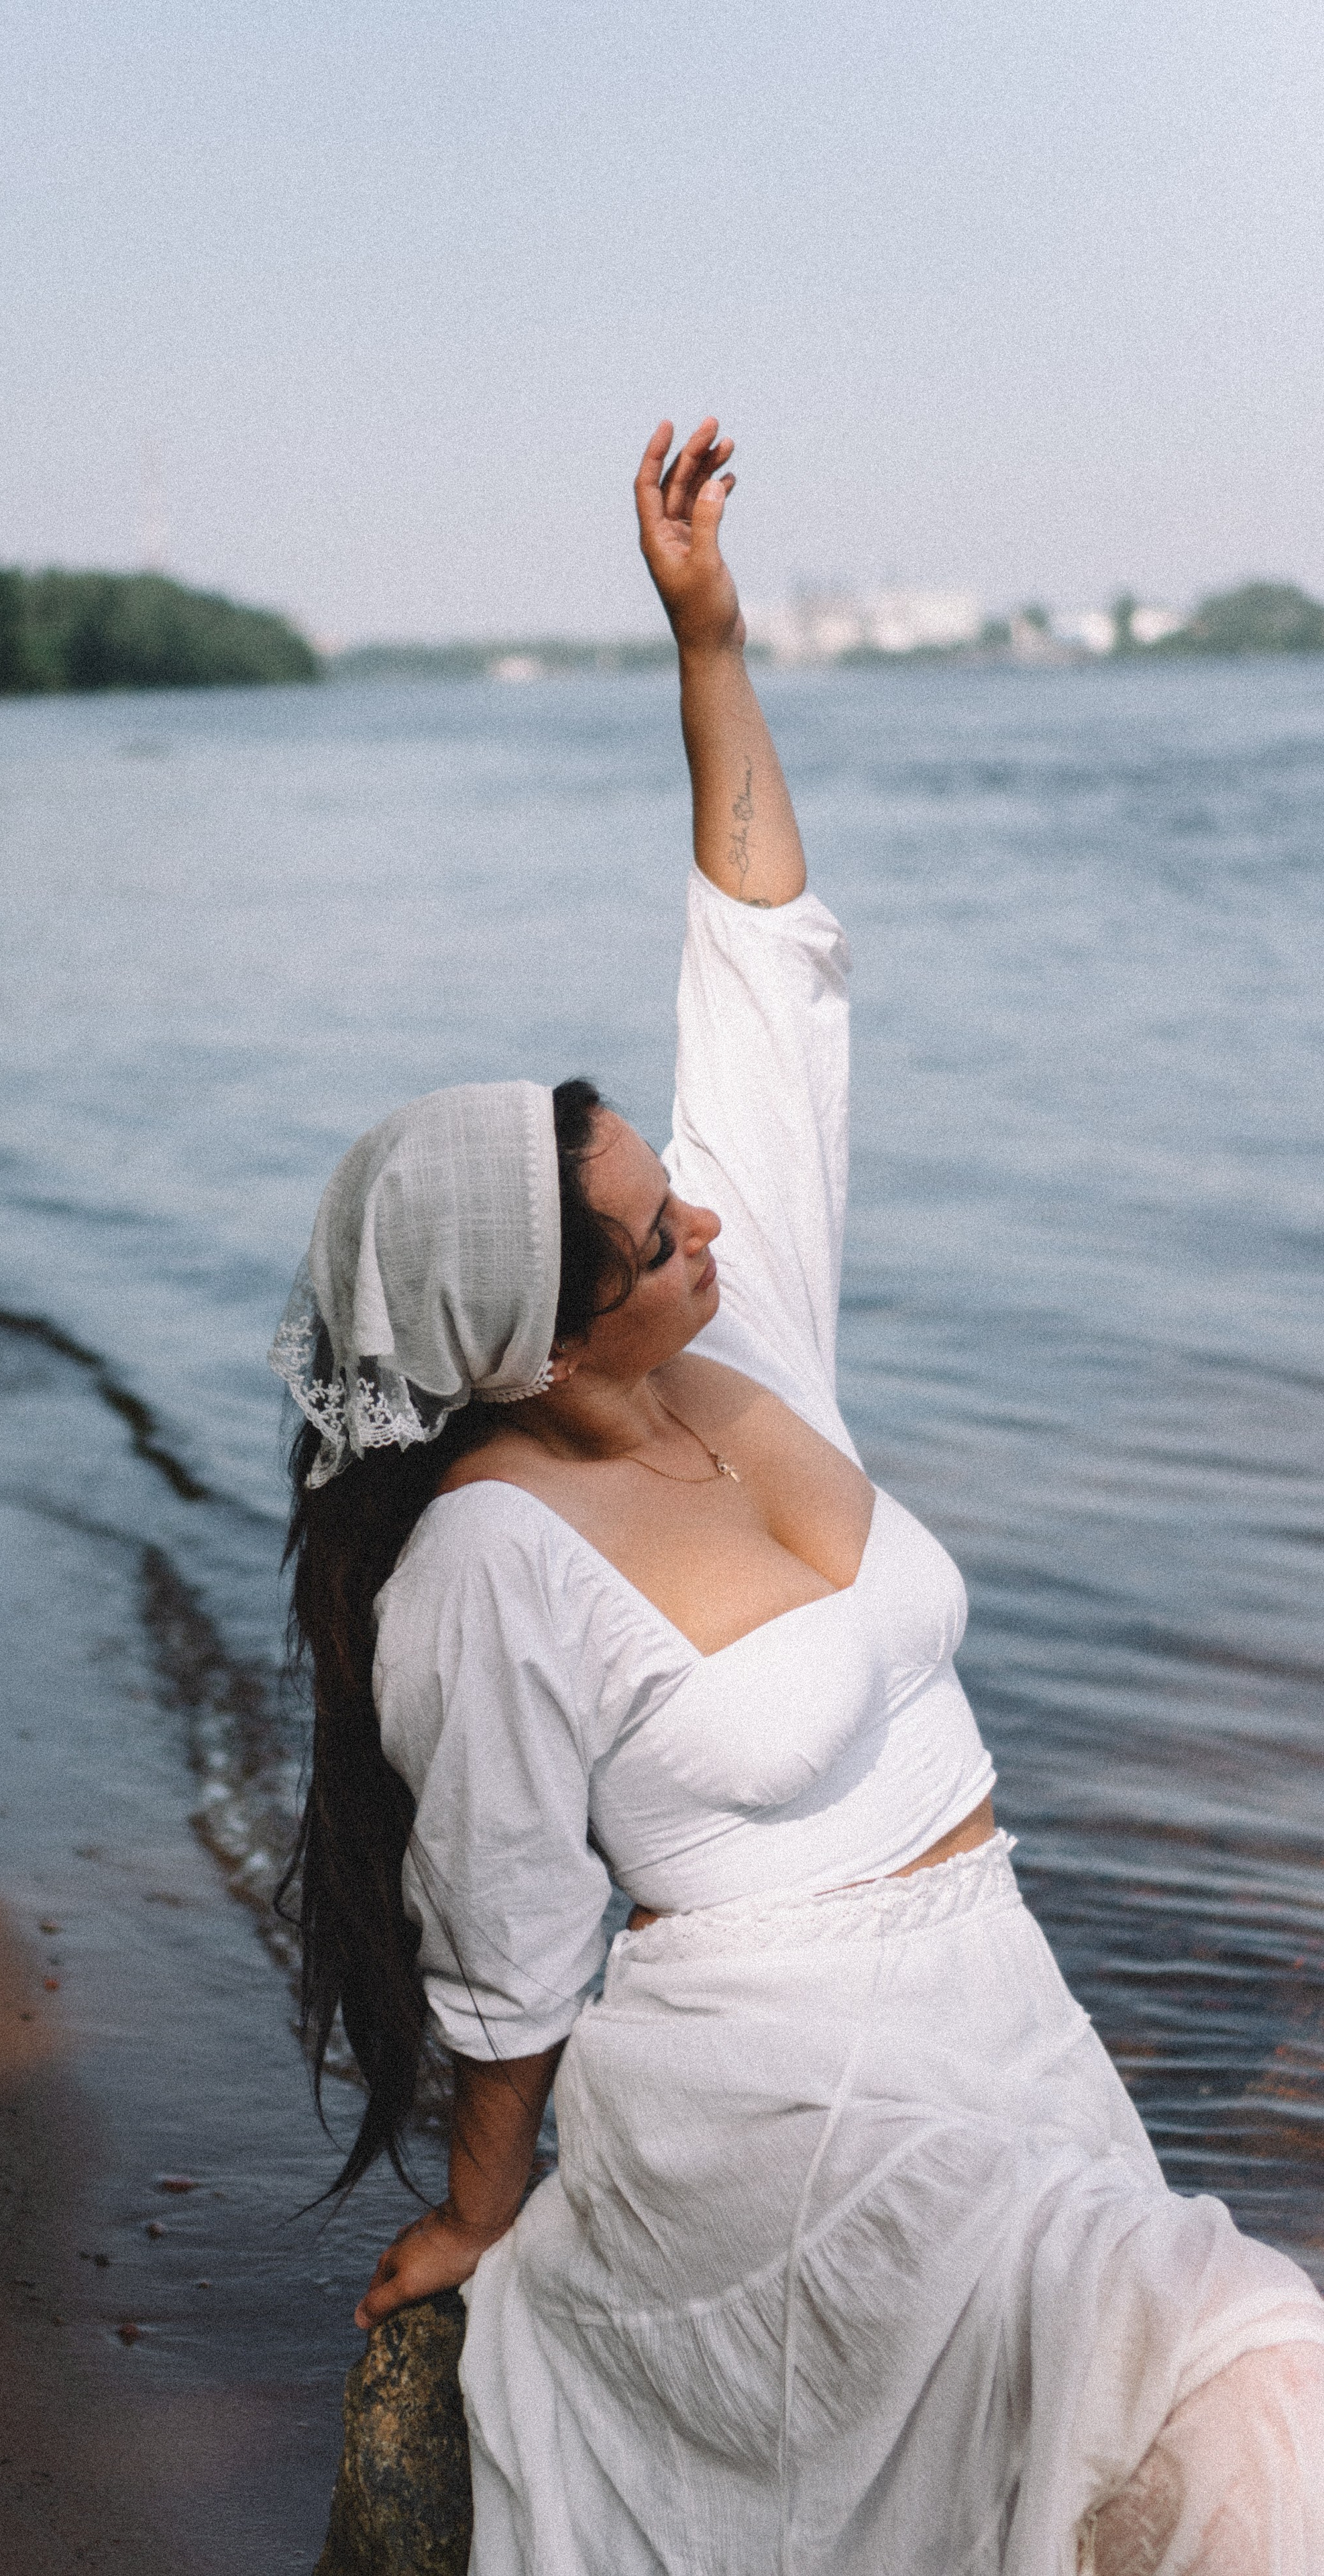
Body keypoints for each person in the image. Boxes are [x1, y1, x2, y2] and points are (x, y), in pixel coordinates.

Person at [272, 421, 1324, 2575]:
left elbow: (767, 951)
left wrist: (712, 640)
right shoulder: (484, 1570)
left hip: (1005, 2021)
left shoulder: (739, 1333)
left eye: (675, 1201)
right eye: (656, 1244)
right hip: (776, 2093)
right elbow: (503, 1942)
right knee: (1250, 2371)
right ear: (530, 1349)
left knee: (1156, 2450)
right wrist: (482, 2219)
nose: (707, 1241)